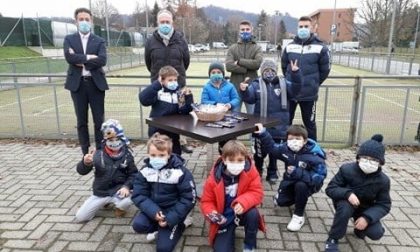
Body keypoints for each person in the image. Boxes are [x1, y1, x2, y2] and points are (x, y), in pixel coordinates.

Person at [254, 124, 327, 232]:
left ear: (305, 141)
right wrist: (263, 133)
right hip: (290, 181)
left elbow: (318, 178)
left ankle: (298, 216)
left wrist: (297, 172)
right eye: (291, 139)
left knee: (301, 186)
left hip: (309, 184)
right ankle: (297, 197)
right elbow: (273, 149)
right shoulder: (286, 149)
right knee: (281, 202)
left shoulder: (315, 156)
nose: (294, 141)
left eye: (298, 139)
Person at [324, 134, 391, 252]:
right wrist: (347, 194)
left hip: (365, 208)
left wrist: (367, 218)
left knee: (376, 234)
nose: (368, 162)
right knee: (344, 209)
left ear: (380, 163)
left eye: (374, 160)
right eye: (365, 158)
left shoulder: (383, 180)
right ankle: (333, 238)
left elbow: (384, 204)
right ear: (358, 158)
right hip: (346, 203)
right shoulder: (346, 169)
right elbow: (331, 188)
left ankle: (359, 227)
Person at [239, 59, 301, 183]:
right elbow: (250, 99)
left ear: (276, 71)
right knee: (259, 151)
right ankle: (257, 170)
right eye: (266, 70)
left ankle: (272, 172)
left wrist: (295, 74)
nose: (269, 73)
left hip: (279, 126)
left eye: (271, 70)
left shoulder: (284, 83)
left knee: (275, 151)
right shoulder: (256, 84)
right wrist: (244, 90)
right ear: (262, 72)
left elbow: (295, 90)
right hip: (260, 125)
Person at [131, 132, 196, 251]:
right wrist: (154, 212)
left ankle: (181, 224)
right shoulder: (145, 171)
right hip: (154, 210)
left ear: (169, 154)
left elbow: (189, 198)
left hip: (173, 212)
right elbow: (138, 195)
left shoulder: (180, 172)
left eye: (161, 155)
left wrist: (170, 218)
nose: (157, 158)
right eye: (153, 155)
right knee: (138, 225)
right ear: (148, 154)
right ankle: (160, 228)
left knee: (163, 249)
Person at [200, 140, 266, 252]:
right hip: (224, 217)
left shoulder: (251, 171)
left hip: (242, 212)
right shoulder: (214, 178)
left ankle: (249, 245)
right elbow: (206, 201)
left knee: (253, 214)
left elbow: (257, 192)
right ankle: (228, 232)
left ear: (245, 159)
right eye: (231, 160)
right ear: (224, 160)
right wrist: (213, 213)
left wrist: (243, 202)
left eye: (240, 160)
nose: (236, 164)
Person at [144, 9, 193, 154]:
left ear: (172, 23)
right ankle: (158, 148)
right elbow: (148, 63)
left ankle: (179, 144)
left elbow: (186, 61)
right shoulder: (150, 41)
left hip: (178, 85)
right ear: (157, 23)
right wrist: (160, 80)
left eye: (167, 22)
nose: (165, 24)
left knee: (180, 116)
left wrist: (174, 79)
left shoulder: (180, 39)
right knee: (159, 117)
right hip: (159, 86)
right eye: (162, 22)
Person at [64, 7, 108, 155]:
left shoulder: (99, 40)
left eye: (87, 19)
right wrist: (90, 57)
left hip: (96, 84)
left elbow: (102, 60)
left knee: (99, 121)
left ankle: (100, 152)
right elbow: (70, 58)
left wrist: (81, 59)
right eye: (81, 19)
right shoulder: (69, 39)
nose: (84, 22)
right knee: (81, 121)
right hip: (78, 85)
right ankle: (85, 152)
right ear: (76, 21)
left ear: (91, 21)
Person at [74, 119, 138, 222]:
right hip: (101, 192)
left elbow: (134, 174)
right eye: (110, 140)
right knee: (81, 217)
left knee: (129, 200)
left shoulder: (127, 155)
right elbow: (81, 171)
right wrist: (85, 163)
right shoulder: (97, 154)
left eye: (117, 139)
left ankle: (120, 208)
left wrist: (126, 187)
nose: (114, 142)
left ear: (122, 138)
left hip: (119, 191)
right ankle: (105, 202)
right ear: (105, 140)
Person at [281, 16, 330, 141]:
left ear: (312, 28)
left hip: (309, 95)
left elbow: (325, 70)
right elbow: (284, 66)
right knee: (286, 122)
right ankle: (286, 150)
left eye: (306, 27)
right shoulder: (289, 47)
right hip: (290, 94)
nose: (303, 29)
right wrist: (291, 83)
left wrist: (313, 83)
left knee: (310, 125)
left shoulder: (321, 47)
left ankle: (312, 150)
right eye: (301, 27)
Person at [139, 65, 193, 156]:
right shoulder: (158, 92)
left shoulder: (179, 93)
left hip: (173, 131)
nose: (174, 82)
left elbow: (185, 111)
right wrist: (156, 84)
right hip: (157, 130)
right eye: (170, 80)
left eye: (175, 80)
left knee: (175, 153)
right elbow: (143, 100)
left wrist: (188, 98)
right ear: (162, 80)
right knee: (159, 153)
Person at [201, 61, 241, 153]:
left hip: (230, 116)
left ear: (223, 74)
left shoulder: (230, 86)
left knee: (232, 137)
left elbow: (236, 98)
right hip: (216, 117)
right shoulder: (207, 87)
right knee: (222, 138)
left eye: (219, 72)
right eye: (213, 72)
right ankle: (222, 155)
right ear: (209, 74)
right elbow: (204, 101)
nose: (216, 74)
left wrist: (230, 104)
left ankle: (233, 154)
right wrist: (215, 104)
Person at [225, 20, 263, 114]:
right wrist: (245, 69)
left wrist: (240, 61)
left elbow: (257, 64)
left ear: (251, 30)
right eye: (242, 29)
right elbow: (228, 66)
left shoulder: (257, 48)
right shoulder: (233, 48)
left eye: (247, 29)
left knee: (253, 119)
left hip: (252, 89)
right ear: (239, 31)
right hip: (235, 89)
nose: (245, 31)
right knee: (234, 118)